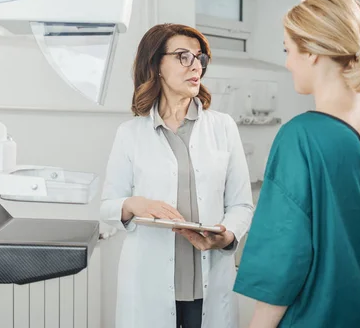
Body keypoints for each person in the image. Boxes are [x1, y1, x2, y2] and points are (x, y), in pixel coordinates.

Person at [233, 0, 360, 328]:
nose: (288, 62)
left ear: (312, 53)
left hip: (313, 317)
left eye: (288, 50)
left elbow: (282, 261)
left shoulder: (301, 135)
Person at [100, 23, 254, 328]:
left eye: (200, 58)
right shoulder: (130, 133)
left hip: (209, 284)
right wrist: (135, 204)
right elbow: (107, 206)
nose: (196, 65)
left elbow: (242, 205)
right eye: (183, 56)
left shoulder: (223, 127)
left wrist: (226, 234)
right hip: (150, 284)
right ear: (156, 64)